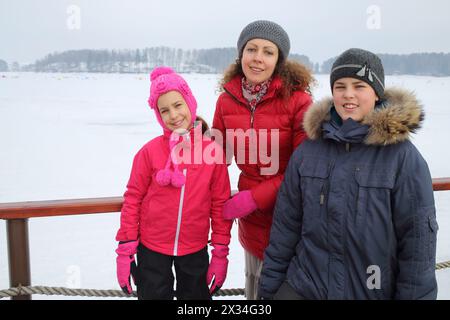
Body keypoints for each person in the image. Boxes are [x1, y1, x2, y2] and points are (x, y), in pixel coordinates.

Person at [258, 48, 438, 300]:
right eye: (340, 86)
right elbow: (285, 229)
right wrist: (269, 292)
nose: (348, 94)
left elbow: (418, 244)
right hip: (304, 288)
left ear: (376, 94)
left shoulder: (402, 157)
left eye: (359, 86)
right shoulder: (308, 152)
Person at [212, 20, 314, 299]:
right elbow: (216, 158)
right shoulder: (226, 101)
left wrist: (256, 197)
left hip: (290, 218)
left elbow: (303, 168)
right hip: (250, 222)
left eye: (268, 52)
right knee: (255, 288)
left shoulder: (299, 101)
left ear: (279, 60)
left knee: (284, 288)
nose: (258, 58)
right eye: (251, 49)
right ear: (241, 54)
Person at [115, 66, 233, 300]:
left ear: (189, 102)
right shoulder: (149, 152)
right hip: (151, 250)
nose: (173, 115)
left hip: (195, 249)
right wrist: (126, 249)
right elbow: (133, 198)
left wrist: (220, 252)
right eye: (164, 110)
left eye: (178, 105)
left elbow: (220, 204)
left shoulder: (212, 153)